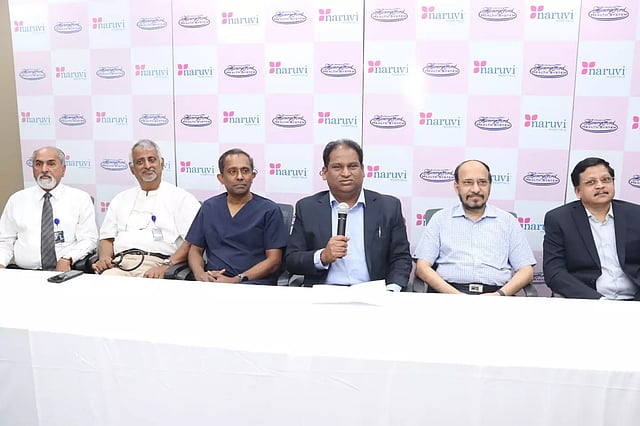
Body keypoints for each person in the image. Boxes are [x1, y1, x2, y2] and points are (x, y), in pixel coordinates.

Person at [285, 139, 412, 291]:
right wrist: (322, 257)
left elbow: (401, 258)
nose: (346, 173)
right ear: (324, 173)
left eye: (352, 166)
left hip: (374, 292)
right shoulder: (307, 208)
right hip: (325, 292)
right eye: (337, 167)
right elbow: (291, 260)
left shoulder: (388, 207)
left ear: (362, 170)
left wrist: (392, 290)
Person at [414, 159, 535, 295]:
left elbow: (526, 271)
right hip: (448, 295)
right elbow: (422, 267)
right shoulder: (440, 219)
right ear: (457, 187)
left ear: (490, 186)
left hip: (497, 297)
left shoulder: (508, 221)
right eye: (468, 183)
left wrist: (499, 295)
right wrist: (457, 296)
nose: (476, 189)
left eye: (482, 182)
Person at [93, 139, 200, 278]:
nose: (147, 166)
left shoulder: (181, 198)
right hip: (120, 263)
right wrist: (104, 258)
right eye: (140, 162)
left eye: (151, 160)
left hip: (157, 264)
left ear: (161, 163)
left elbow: (192, 241)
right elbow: (107, 238)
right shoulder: (120, 199)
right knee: (103, 283)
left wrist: (167, 265)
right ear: (132, 169)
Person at [186, 148, 288, 285]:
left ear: (253, 175)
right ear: (221, 178)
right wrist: (200, 274)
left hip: (252, 284)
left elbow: (274, 261)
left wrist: (237, 279)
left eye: (245, 171)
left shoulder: (269, 210)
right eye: (232, 171)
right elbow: (195, 250)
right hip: (212, 282)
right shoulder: (209, 207)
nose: (240, 177)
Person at [543, 157, 640, 300]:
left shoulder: (636, 215)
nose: (600, 186)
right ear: (578, 191)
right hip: (588, 300)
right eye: (591, 182)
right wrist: (598, 301)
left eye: (606, 180)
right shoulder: (559, 219)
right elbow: (554, 272)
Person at [0, 146, 98, 271]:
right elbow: (4, 241)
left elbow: (88, 240)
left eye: (51, 164)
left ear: (63, 170)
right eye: (38, 164)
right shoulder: (17, 200)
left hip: (66, 271)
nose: (44, 169)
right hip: (25, 272)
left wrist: (68, 258)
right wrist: (1, 263)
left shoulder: (80, 199)